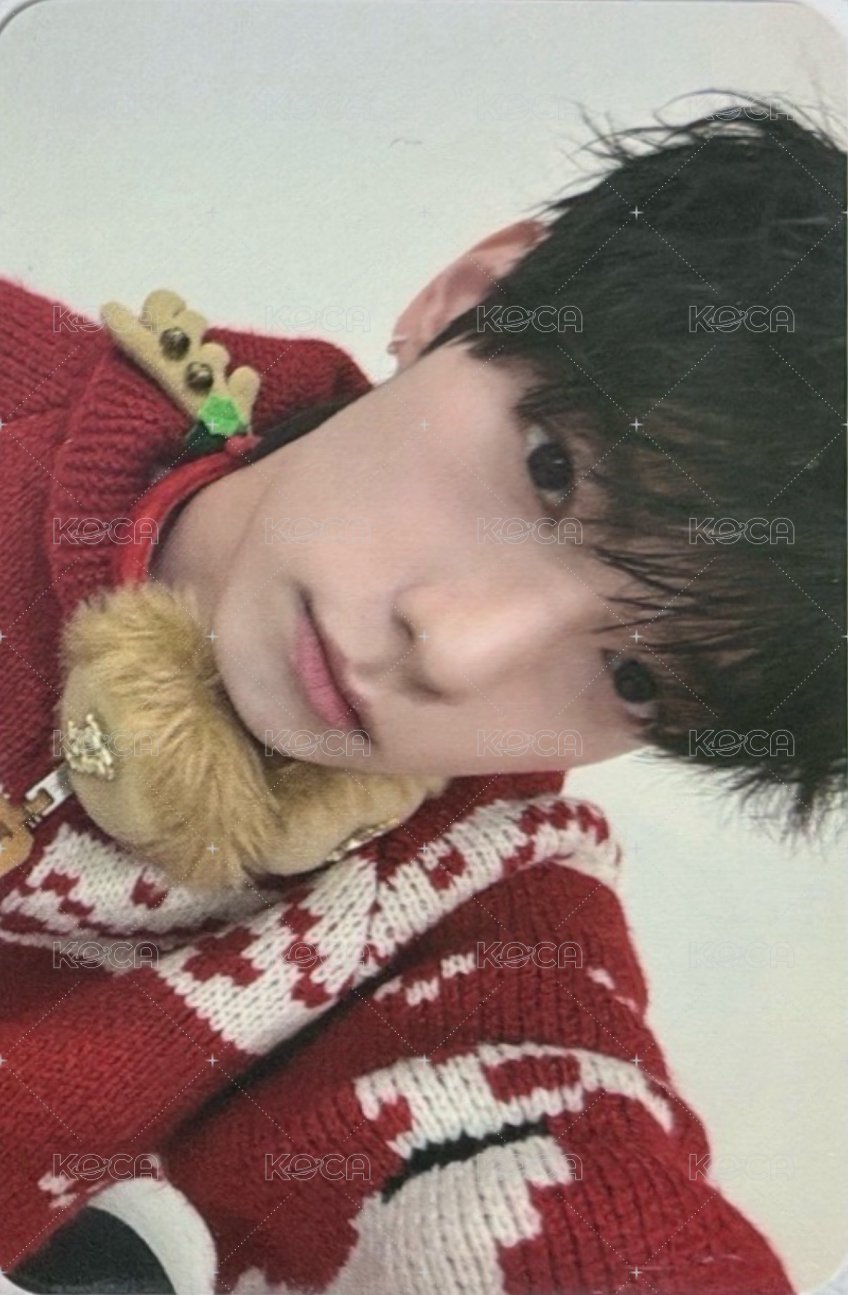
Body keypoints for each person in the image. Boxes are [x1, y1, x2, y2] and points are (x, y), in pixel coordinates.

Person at [1, 97, 843, 1293]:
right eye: (550, 471)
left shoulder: (451, 890)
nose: (455, 652)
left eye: (634, 674)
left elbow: (537, 1138)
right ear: (465, 296)